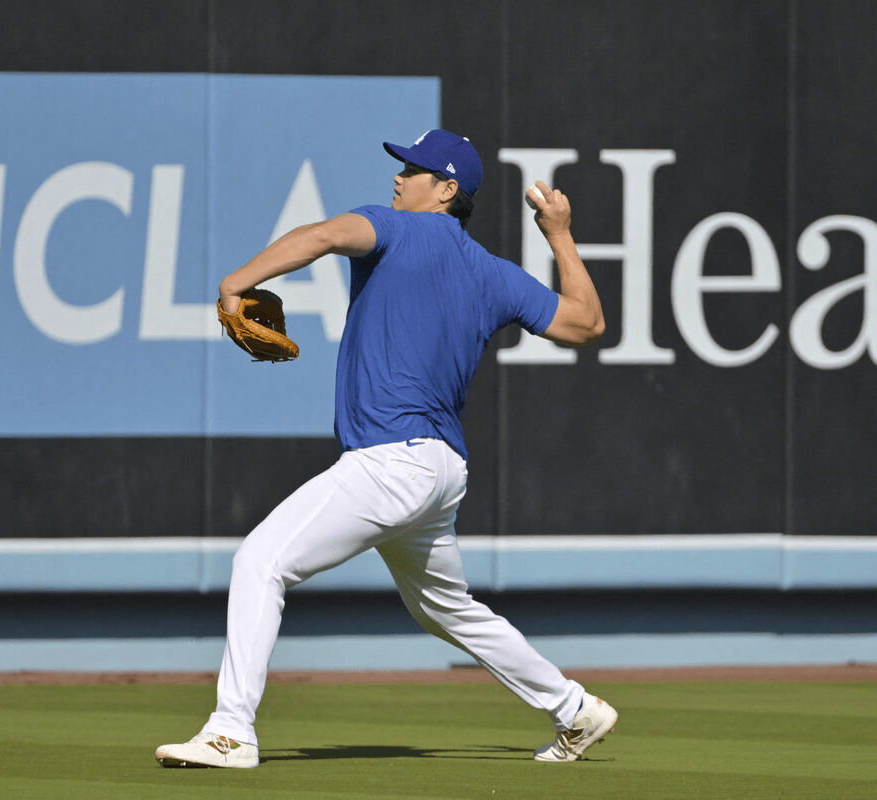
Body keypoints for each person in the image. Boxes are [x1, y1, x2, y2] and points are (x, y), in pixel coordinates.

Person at [155, 129, 616, 769]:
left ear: (446, 190)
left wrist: (235, 282)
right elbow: (587, 322)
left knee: (261, 560)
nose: (400, 177)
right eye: (402, 165)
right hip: (441, 470)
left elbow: (320, 236)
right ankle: (575, 709)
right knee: (447, 609)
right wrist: (560, 235)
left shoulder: (394, 228)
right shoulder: (494, 274)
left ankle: (231, 731)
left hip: (391, 460)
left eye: (415, 168)